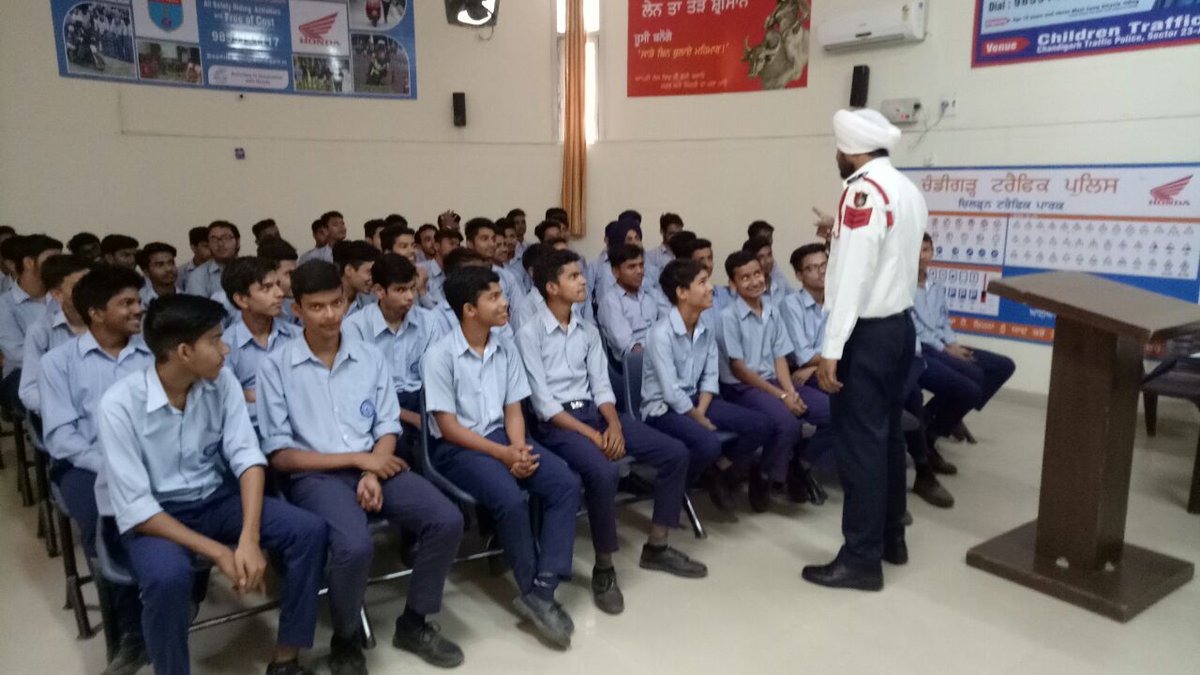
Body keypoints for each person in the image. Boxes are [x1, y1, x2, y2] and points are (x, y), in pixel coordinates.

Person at [98, 295, 327, 675]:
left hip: (213, 499)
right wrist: (221, 552)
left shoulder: (222, 383)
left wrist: (249, 538)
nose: (225, 350)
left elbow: (247, 458)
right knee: (167, 578)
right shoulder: (119, 404)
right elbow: (136, 507)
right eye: (215, 340)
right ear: (184, 351)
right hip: (156, 517)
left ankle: (287, 657)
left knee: (308, 530)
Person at [258, 261, 466, 671]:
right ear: (296, 310)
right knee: (354, 547)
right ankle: (346, 638)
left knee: (446, 519)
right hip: (316, 476)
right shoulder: (276, 367)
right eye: (317, 307)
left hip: (377, 463)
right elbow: (280, 454)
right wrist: (359, 460)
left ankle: (414, 622)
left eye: (336, 303)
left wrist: (372, 470)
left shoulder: (369, 357)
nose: (330, 315)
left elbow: (387, 424)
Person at [518, 250, 705, 614]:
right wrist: (594, 437)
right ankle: (604, 568)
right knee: (604, 471)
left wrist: (615, 425)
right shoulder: (529, 334)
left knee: (675, 453)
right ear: (551, 287)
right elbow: (543, 404)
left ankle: (657, 546)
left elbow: (602, 387)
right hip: (557, 425)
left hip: (597, 414)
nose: (583, 281)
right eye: (573, 277)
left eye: (581, 274)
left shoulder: (587, 332)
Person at [423, 266, 580, 649]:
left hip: (504, 438)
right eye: (493, 297)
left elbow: (514, 410)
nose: (504, 302)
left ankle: (543, 587)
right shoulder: (440, 356)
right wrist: (504, 454)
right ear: (469, 309)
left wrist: (519, 448)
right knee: (510, 498)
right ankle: (529, 587)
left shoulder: (505, 348)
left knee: (564, 482)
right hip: (458, 448)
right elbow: (448, 427)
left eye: (501, 294)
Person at [803, 108, 925, 591]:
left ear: (849, 151)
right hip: (899, 329)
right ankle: (892, 539)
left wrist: (831, 349)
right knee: (887, 436)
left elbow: (853, 277)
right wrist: (837, 235)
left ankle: (860, 558)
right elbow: (885, 254)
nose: (836, 157)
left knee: (860, 447)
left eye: (838, 150)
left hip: (866, 335)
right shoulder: (905, 189)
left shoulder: (861, 191)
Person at [40, 264, 152, 671]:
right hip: (86, 465)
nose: (138, 309)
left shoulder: (153, 353)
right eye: (127, 303)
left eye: (138, 301)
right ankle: (130, 632)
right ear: (96, 312)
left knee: (194, 505)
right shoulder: (58, 362)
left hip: (154, 459)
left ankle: (178, 594)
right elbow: (61, 436)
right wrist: (113, 463)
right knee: (106, 526)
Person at [642, 259, 769, 512]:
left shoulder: (706, 328)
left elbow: (710, 376)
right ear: (682, 292)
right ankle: (680, 484)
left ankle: (723, 471)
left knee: (760, 424)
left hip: (699, 402)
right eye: (702, 282)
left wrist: (701, 410)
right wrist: (697, 417)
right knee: (708, 443)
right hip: (663, 409)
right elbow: (670, 391)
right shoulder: (660, 334)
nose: (711, 288)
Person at [717, 250, 813, 512]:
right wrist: (780, 396)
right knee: (787, 423)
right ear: (733, 284)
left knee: (801, 414)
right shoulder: (728, 316)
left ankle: (778, 471)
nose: (754, 281)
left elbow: (780, 356)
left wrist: (790, 391)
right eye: (745, 277)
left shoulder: (772, 311)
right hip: (741, 387)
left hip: (770, 381)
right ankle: (762, 475)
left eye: (757, 274)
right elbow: (739, 369)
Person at [913, 233, 1016, 441]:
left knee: (1003, 366)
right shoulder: (903, 289)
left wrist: (953, 344)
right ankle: (935, 429)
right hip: (925, 348)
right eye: (917, 251)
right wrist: (946, 349)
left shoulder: (936, 287)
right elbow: (916, 329)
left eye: (926, 250)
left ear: (932, 252)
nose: (922, 256)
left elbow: (944, 322)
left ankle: (945, 415)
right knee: (974, 376)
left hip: (944, 344)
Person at [342, 254, 436, 445]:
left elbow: (436, 378)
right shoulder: (355, 327)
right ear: (379, 291)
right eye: (400, 290)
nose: (410, 297)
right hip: (377, 406)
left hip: (422, 400)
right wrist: (411, 418)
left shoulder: (428, 320)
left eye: (412, 288)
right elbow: (360, 391)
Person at [220, 256, 297, 431]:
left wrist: (252, 395)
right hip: (249, 433)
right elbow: (228, 405)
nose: (280, 293)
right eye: (266, 288)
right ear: (242, 299)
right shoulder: (226, 346)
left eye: (278, 284)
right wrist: (281, 399)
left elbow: (309, 392)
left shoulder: (297, 336)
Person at [18, 255, 91, 415]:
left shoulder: (111, 323)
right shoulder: (41, 331)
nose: (90, 290)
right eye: (79, 286)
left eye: (92, 283)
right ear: (57, 294)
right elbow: (29, 391)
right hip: (62, 414)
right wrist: (64, 409)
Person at [0, 234, 61, 411]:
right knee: (44, 396)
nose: (58, 266)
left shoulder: (63, 296)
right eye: (51, 260)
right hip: (21, 373)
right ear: (28, 263)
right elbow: (15, 353)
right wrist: (59, 363)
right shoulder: (5, 304)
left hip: (66, 367)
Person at [596, 244, 665, 358]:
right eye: (632, 267)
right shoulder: (610, 302)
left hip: (660, 351)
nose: (639, 271)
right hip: (637, 359)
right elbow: (629, 347)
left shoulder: (650, 294)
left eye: (641, 265)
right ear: (616, 272)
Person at [185, 221, 240, 298]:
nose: (220, 244)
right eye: (214, 239)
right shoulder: (197, 276)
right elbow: (198, 305)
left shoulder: (252, 269)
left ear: (238, 242)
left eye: (226, 238)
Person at [332, 240, 382, 317]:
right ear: (349, 270)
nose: (373, 278)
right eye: (369, 272)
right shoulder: (325, 298)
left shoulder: (372, 302)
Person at [258, 238, 301, 326]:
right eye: (289, 273)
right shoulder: (255, 310)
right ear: (270, 273)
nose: (296, 278)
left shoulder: (293, 304)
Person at [746, 220, 793, 293]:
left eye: (770, 237)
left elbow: (787, 289)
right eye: (764, 237)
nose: (769, 241)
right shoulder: (744, 263)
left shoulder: (770, 262)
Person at [743, 235, 789, 308]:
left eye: (769, 255)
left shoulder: (780, 283)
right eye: (761, 257)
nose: (768, 261)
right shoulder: (747, 290)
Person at [136, 242, 178, 307]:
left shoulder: (188, 299)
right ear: (146, 271)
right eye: (160, 265)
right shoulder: (138, 300)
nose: (169, 269)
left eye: (171, 263)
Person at [177, 226, 212, 293]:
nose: (211, 250)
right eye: (206, 246)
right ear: (193, 248)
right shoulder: (181, 272)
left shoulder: (221, 270)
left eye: (212, 245)